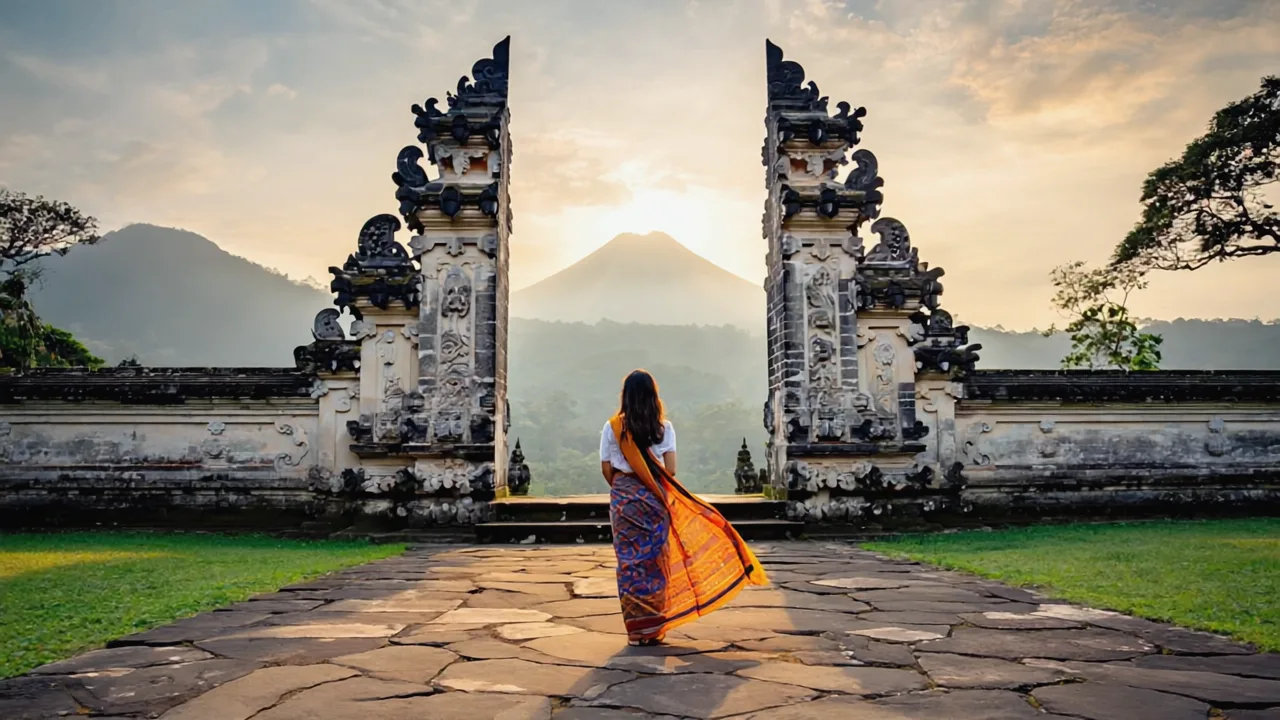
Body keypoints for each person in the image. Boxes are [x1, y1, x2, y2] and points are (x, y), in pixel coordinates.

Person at [599, 369, 769, 646]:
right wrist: (649, 484)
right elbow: (672, 470)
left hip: (624, 501)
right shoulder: (663, 428)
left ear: (625, 396)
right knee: (655, 560)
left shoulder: (613, 427)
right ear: (654, 396)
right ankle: (655, 628)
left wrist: (624, 489)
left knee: (630, 563)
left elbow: (607, 469)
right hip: (655, 499)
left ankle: (636, 631)